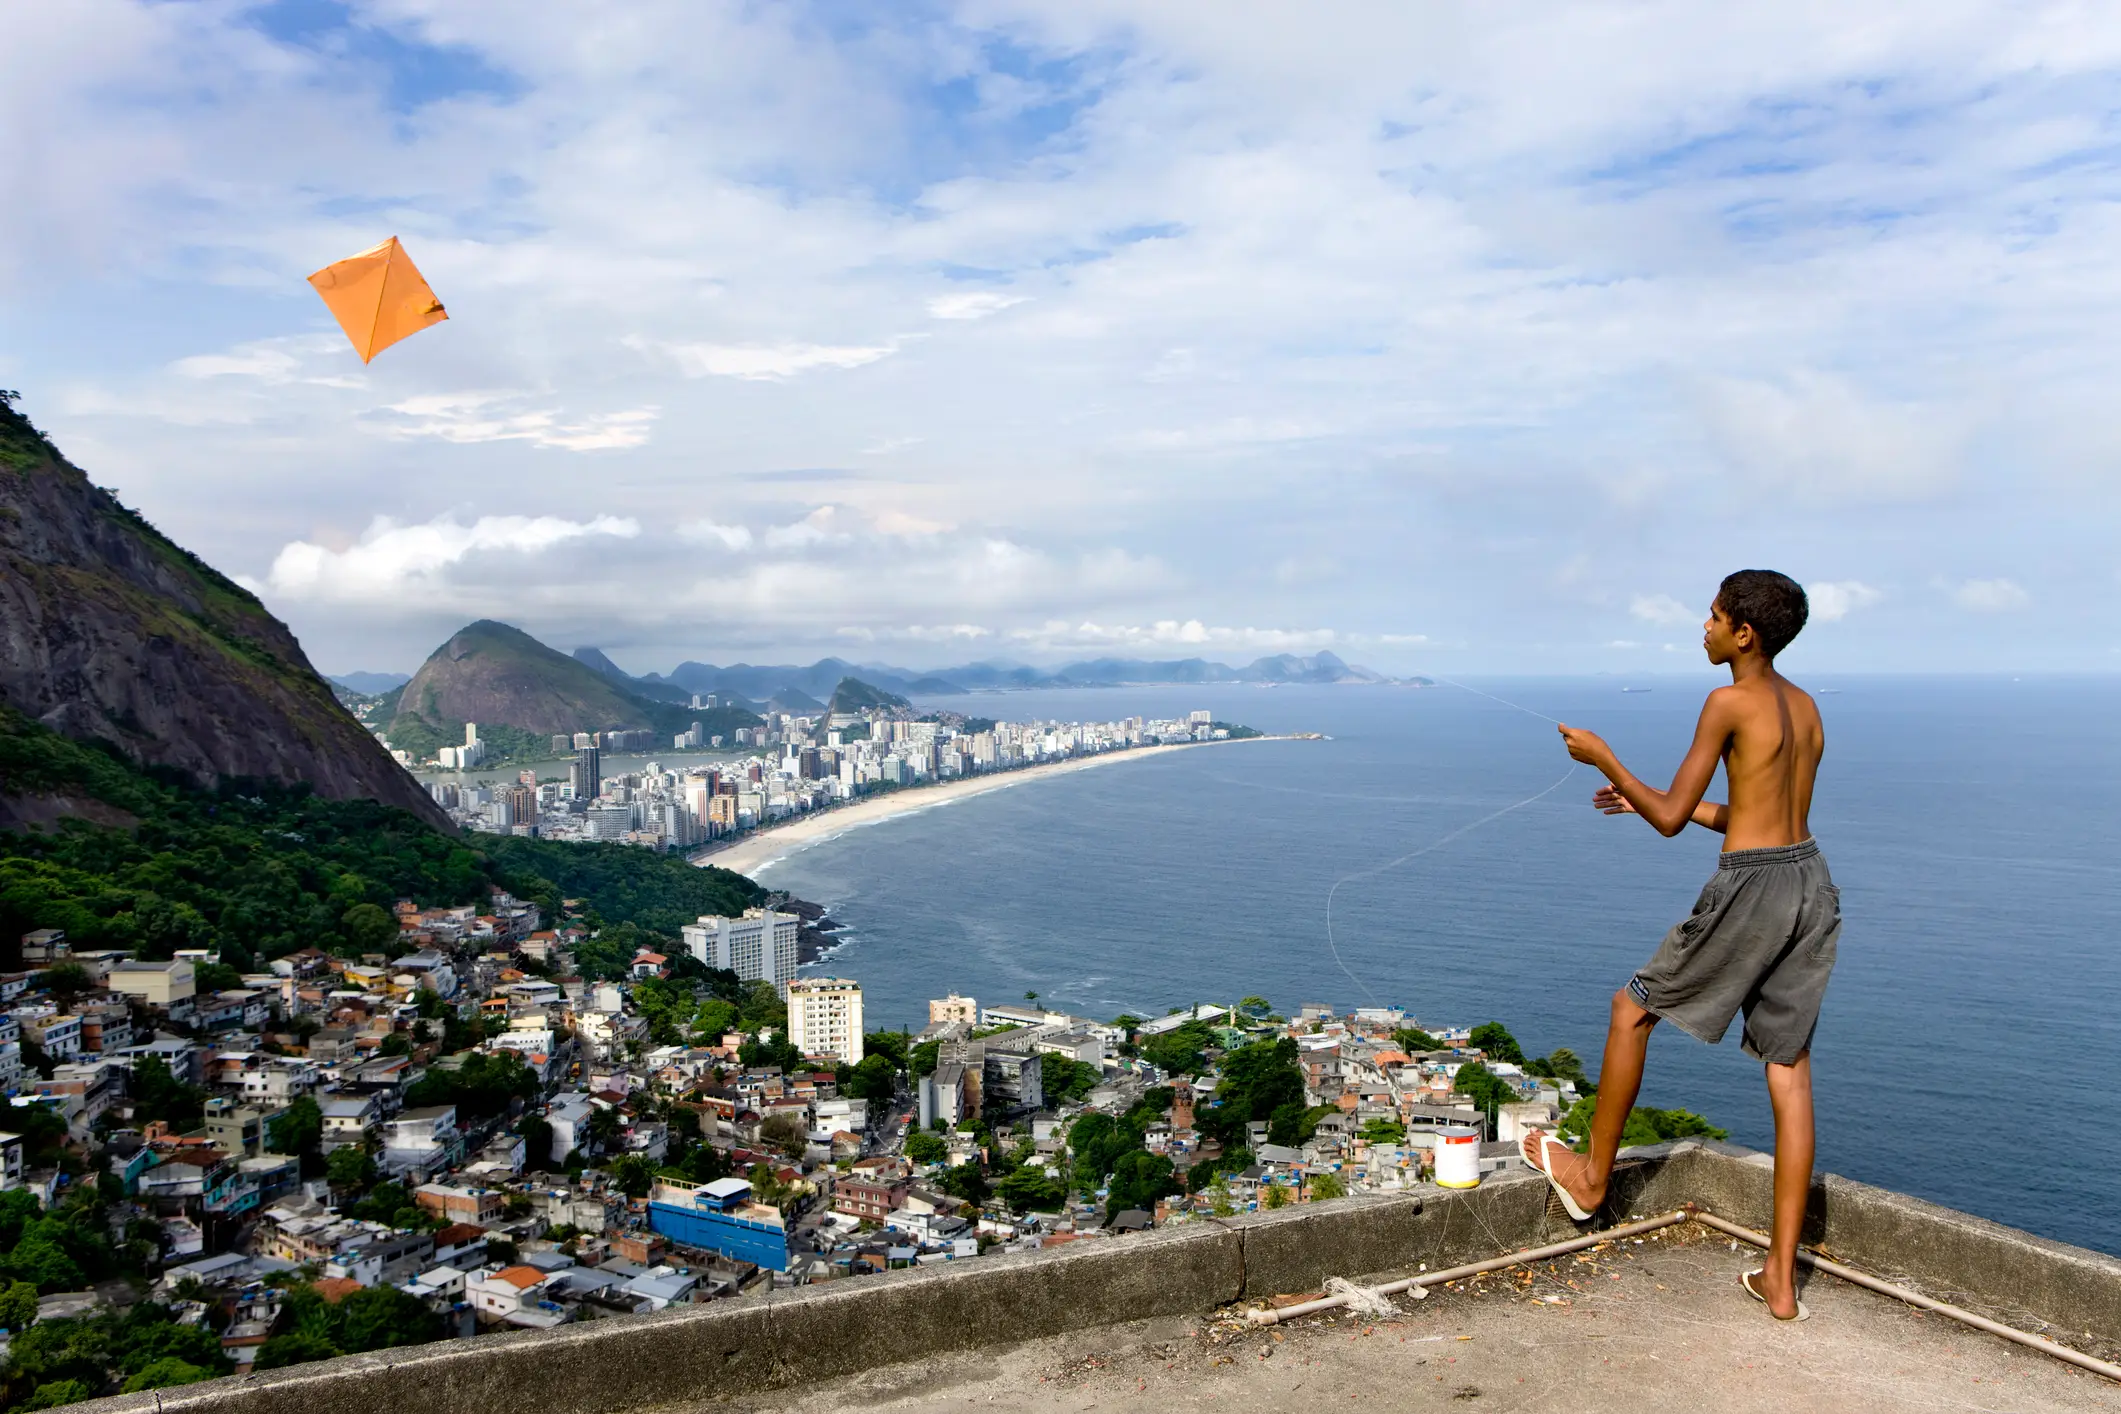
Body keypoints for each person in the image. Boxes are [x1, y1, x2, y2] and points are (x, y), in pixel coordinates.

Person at [1523, 569, 1837, 1322]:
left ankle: (1592, 1179)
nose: (1702, 626)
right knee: (1788, 1072)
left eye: (1712, 616)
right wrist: (1642, 800)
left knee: (1629, 1009)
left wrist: (1603, 758)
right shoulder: (1804, 707)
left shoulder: (1726, 700)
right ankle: (1781, 1280)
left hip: (1753, 889)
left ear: (1743, 635)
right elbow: (1756, 812)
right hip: (1811, 882)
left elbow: (1668, 818)